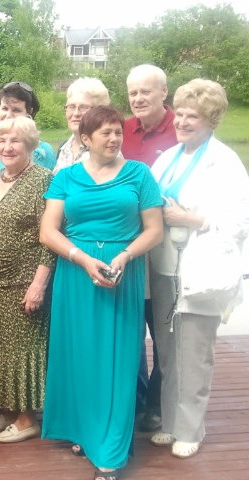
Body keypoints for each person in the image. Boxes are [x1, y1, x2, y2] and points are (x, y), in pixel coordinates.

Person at [40, 106, 164, 480]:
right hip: (76, 274)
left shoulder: (139, 174)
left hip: (121, 273)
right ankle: (84, 430)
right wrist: (82, 259)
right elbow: (49, 231)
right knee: (79, 356)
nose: (114, 139)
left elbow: (154, 230)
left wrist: (124, 256)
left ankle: (109, 450)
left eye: (118, 132)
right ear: (85, 139)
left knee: (117, 359)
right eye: (105, 133)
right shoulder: (66, 176)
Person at [148, 79, 249, 459]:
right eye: (181, 114)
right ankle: (171, 422)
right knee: (168, 351)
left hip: (201, 271)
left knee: (194, 354)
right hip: (165, 268)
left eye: (194, 116)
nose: (183, 122)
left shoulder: (225, 163)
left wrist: (191, 219)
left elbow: (240, 222)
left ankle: (191, 429)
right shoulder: (168, 158)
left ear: (212, 120)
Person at [0, 117, 55, 443]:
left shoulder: (43, 180)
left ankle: (27, 419)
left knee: (23, 352)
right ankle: (9, 409)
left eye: (15, 141)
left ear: (30, 144)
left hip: (24, 282)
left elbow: (50, 237)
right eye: (1, 141)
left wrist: (39, 284)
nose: (7, 147)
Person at [122, 64, 178, 433]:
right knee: (131, 326)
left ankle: (159, 404)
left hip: (167, 247)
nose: (139, 98)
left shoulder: (179, 129)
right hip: (129, 246)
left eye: (146, 91)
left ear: (163, 92)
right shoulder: (123, 130)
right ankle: (136, 400)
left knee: (164, 332)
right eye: (133, 93)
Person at [0, 81, 57, 179]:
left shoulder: (43, 152)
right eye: (5, 108)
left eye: (16, 110)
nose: (9, 115)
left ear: (29, 112)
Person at [53, 77, 112, 173]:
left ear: (100, 112)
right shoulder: (63, 148)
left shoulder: (107, 151)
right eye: (71, 106)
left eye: (84, 107)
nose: (76, 113)